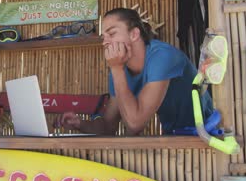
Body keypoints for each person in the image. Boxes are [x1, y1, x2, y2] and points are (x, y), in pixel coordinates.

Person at [57, 8, 213, 135]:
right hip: (173, 137)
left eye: (111, 34)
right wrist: (80, 123)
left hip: (207, 135)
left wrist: (116, 69)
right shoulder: (118, 69)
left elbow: (134, 124)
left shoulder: (162, 56)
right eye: (103, 37)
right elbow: (108, 126)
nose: (105, 42)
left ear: (134, 34)